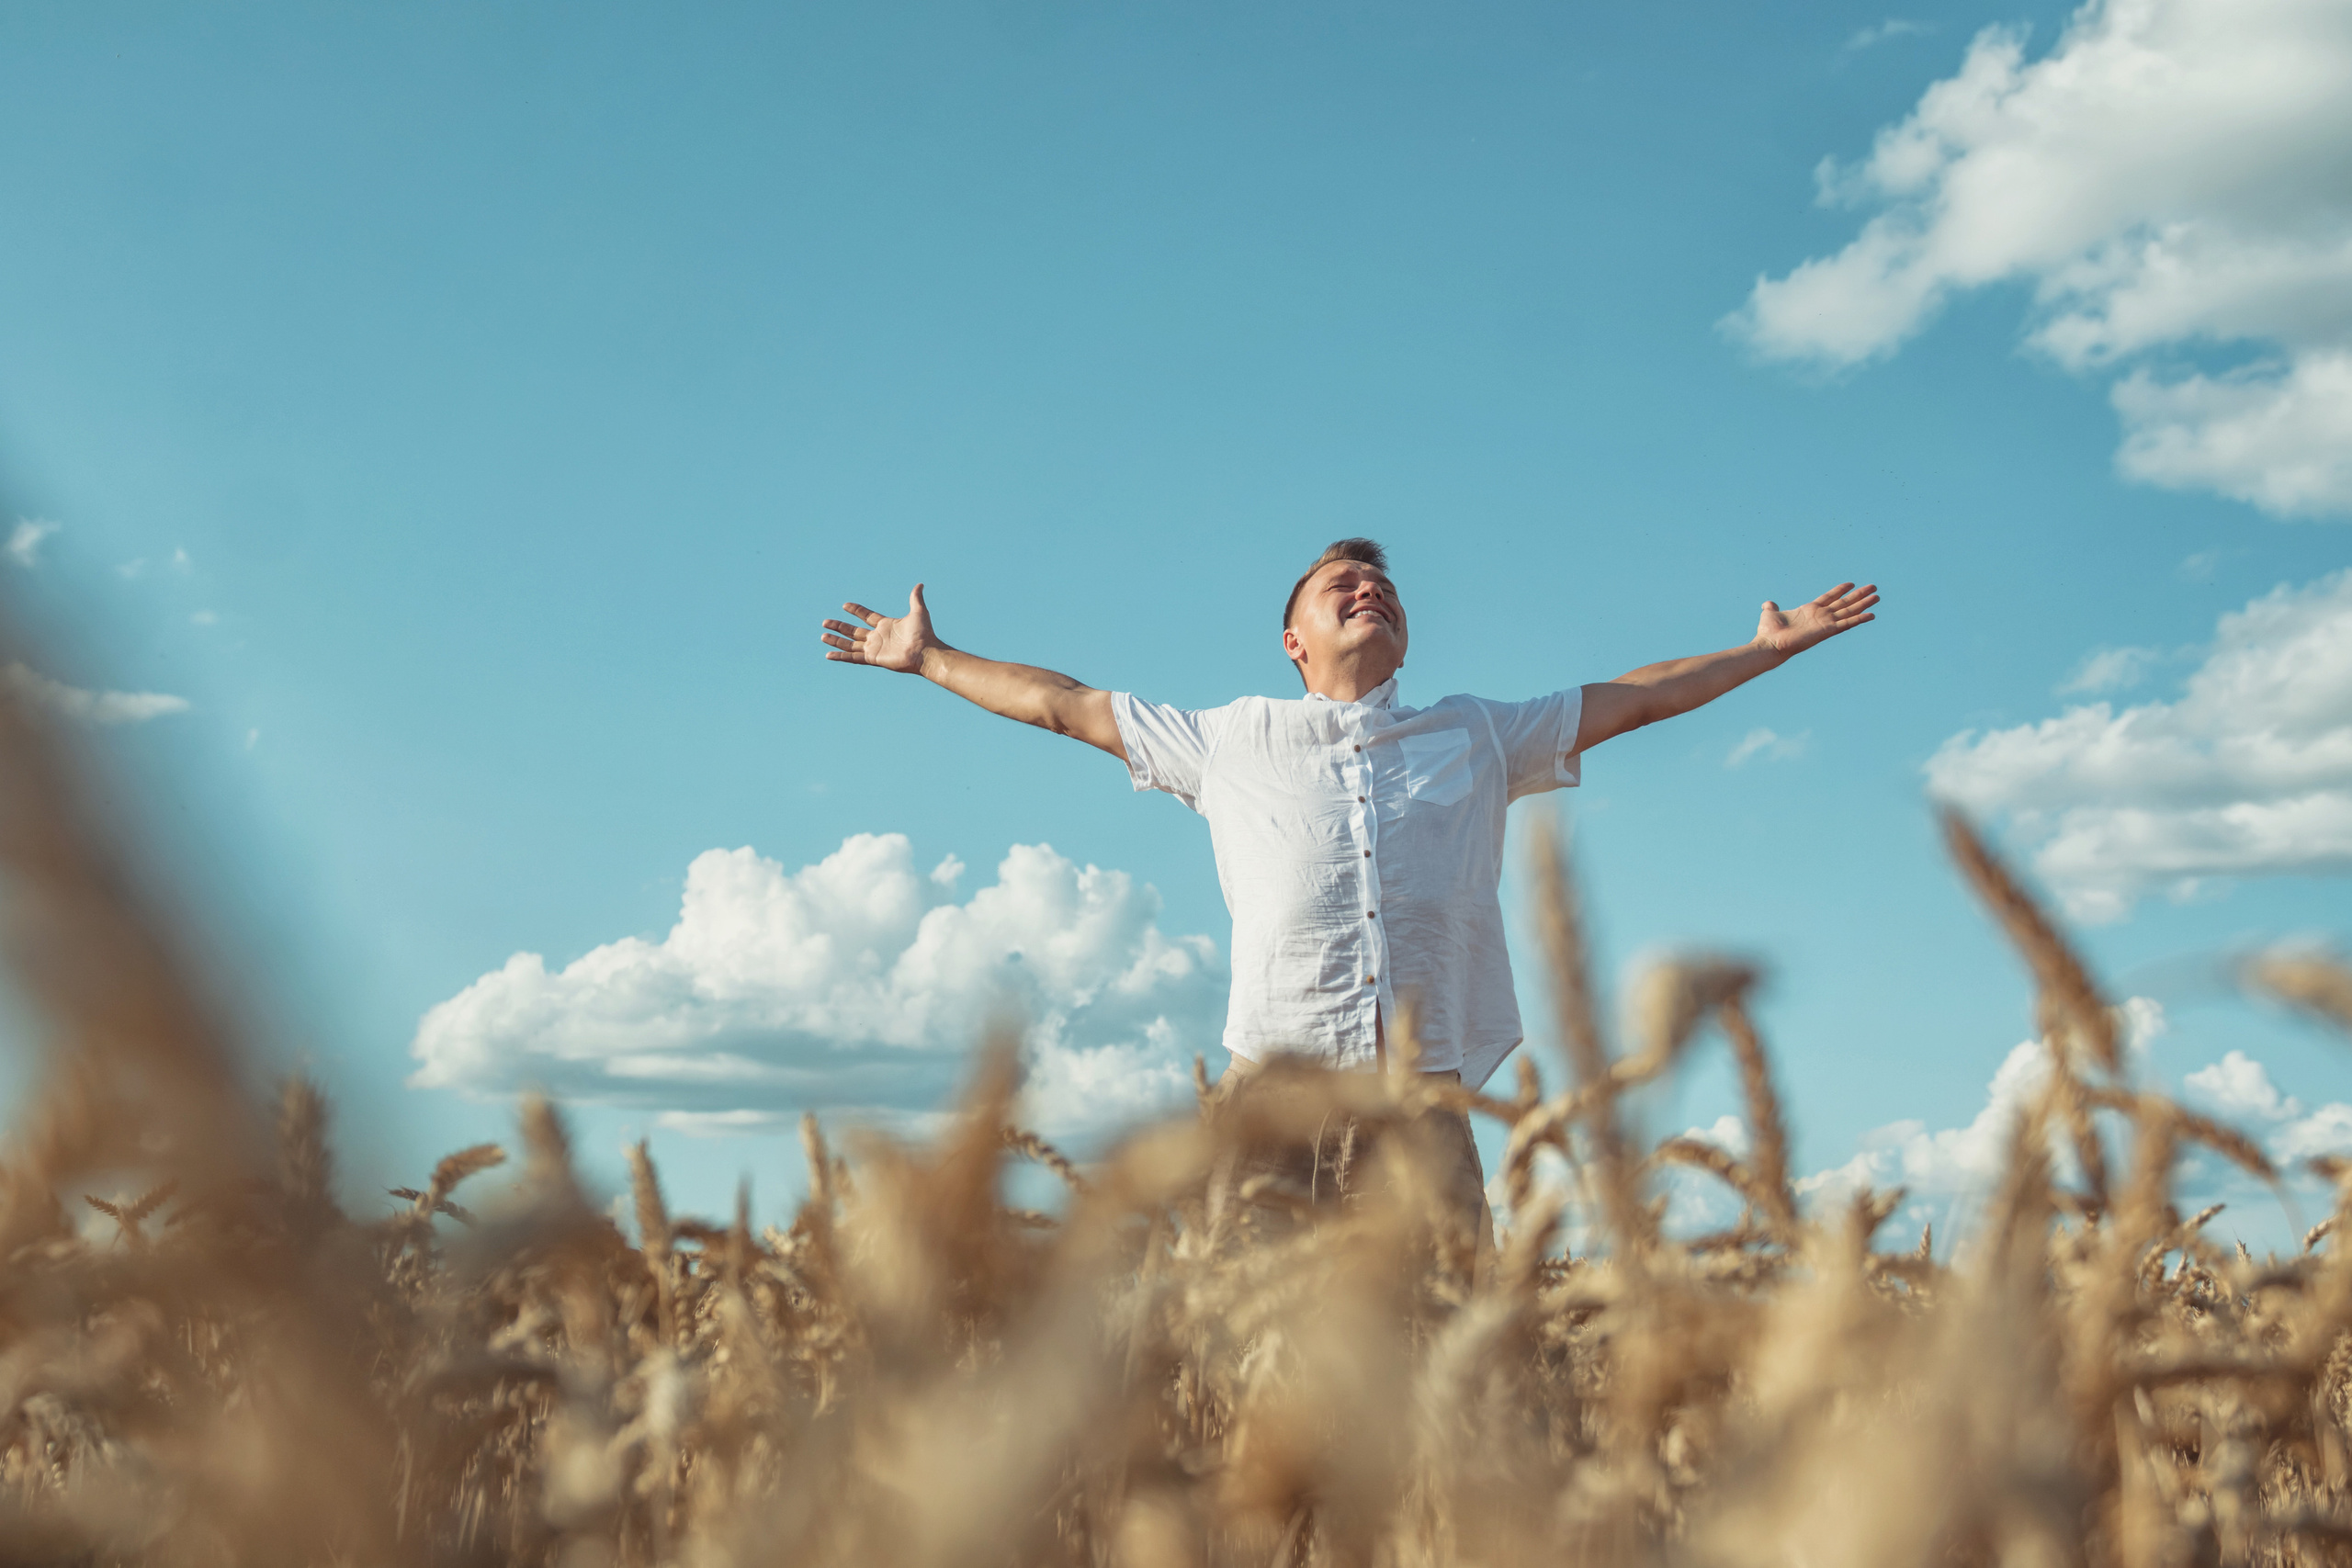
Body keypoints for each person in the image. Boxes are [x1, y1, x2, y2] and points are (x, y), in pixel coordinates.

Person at [820, 540, 1877, 1243]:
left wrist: (1760, 654)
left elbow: (1636, 700)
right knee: (1248, 1374)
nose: (1369, 591)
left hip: (1422, 1107)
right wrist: (934, 659)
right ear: (1293, 640)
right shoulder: (1225, 738)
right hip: (1270, 1104)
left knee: (1438, 1368)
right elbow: (1061, 705)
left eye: (1385, 591)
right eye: (1343, 587)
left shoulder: (1476, 732)